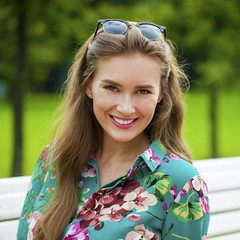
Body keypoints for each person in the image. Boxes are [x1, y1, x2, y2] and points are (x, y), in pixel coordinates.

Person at [17, 19, 210, 240]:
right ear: (88, 85)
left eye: (143, 91)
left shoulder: (183, 186)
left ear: (161, 94)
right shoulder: (53, 160)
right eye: (111, 87)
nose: (126, 108)